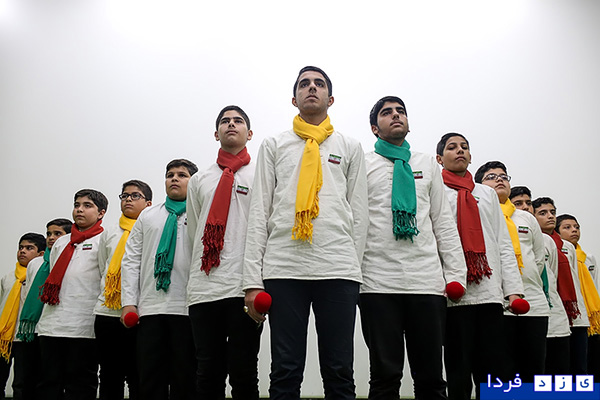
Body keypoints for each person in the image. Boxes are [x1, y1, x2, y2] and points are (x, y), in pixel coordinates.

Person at [243, 66, 369, 400]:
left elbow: (359, 214)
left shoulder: (350, 146)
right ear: (294, 98)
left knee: (339, 369)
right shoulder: (274, 145)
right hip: (284, 268)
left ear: (331, 98)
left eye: (319, 84)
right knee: (285, 369)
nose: (311, 88)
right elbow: (259, 211)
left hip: (338, 269)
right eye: (304, 84)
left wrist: (352, 267)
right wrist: (252, 281)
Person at [360, 96, 466, 400]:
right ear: (374, 127)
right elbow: (356, 221)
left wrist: (455, 274)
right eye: (387, 113)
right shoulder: (363, 164)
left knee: (431, 377)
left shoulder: (426, 164)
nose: (396, 115)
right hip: (377, 284)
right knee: (385, 376)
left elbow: (442, 222)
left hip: (426, 283)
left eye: (401, 111)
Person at [435, 133, 524, 400]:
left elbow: (502, 242)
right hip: (454, 293)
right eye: (452, 147)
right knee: (458, 369)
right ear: (439, 158)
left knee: (494, 369)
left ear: (471, 156)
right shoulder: (435, 190)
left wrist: (513, 291)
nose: (459, 151)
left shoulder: (486, 193)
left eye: (464, 147)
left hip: (489, 291)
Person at [187, 105, 261, 399]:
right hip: (204, 288)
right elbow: (195, 229)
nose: (231, 124)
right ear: (216, 133)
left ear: (249, 133)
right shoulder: (199, 179)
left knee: (244, 371)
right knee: (207, 371)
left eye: (238, 121)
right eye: (225, 121)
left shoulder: (262, 174)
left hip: (244, 286)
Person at [121, 159, 198, 400]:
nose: (174, 178)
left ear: (194, 182)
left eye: (182, 175)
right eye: (170, 174)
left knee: (186, 378)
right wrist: (128, 303)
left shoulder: (201, 212)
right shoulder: (148, 215)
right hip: (150, 309)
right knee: (150, 378)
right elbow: (131, 260)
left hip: (188, 308)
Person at [474, 161, 549, 382]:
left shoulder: (526, 218)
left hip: (532, 302)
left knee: (532, 371)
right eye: (491, 176)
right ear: (479, 185)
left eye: (503, 176)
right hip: (495, 303)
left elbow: (538, 258)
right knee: (498, 372)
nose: (499, 179)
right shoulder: (477, 212)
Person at [37, 189, 108, 400]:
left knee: (81, 384)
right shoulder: (61, 242)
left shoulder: (105, 239)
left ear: (101, 213)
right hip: (52, 324)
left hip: (84, 326)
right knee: (48, 382)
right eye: (77, 205)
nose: (79, 210)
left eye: (87, 205)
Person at [94, 180, 152, 400]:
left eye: (135, 195)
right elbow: (103, 266)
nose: (128, 199)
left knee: (139, 372)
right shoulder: (109, 232)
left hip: (140, 312)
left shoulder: (153, 229)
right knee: (109, 373)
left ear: (148, 203)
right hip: (107, 312)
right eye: (124, 195)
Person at [532, 197, 589, 375]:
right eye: (543, 213)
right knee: (549, 370)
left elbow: (573, 280)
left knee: (578, 369)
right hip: (551, 314)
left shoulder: (568, 247)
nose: (550, 216)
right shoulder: (535, 242)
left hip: (574, 314)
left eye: (552, 212)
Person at [16, 219, 71, 400]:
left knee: (55, 378)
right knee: (30, 378)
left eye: (57, 234)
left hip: (56, 328)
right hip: (33, 329)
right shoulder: (35, 263)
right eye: (49, 234)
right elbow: (28, 296)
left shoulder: (70, 259)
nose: (51, 238)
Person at [0, 233, 45, 399]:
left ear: (41, 254)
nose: (22, 251)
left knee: (22, 381)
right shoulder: (8, 277)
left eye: (29, 248)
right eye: (20, 247)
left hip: (25, 337)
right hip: (4, 337)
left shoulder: (40, 277)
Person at [556, 213, 600, 378]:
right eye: (567, 227)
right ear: (557, 232)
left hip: (590, 316)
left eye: (576, 227)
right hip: (569, 314)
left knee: (590, 364)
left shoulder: (589, 258)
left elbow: (594, 285)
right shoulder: (559, 254)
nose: (574, 230)